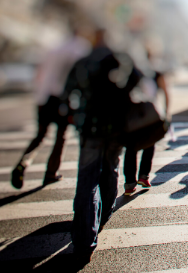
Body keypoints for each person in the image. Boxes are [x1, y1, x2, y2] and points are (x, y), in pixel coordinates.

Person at [60, 28, 143, 263]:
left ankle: (85, 239)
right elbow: (137, 76)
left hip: (90, 129)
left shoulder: (83, 62)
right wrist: (123, 93)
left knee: (87, 179)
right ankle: (105, 213)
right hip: (115, 127)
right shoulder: (118, 58)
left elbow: (67, 93)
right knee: (111, 169)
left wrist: (74, 114)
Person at [11, 29, 90, 189]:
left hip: (44, 97)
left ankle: (23, 162)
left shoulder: (54, 47)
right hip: (63, 98)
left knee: (40, 134)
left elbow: (40, 73)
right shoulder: (80, 49)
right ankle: (50, 173)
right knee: (60, 137)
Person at [122, 50, 170, 196]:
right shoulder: (156, 72)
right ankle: (143, 176)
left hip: (133, 114)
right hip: (151, 113)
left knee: (131, 148)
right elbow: (166, 92)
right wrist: (166, 112)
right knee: (149, 144)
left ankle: (130, 183)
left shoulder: (132, 71)